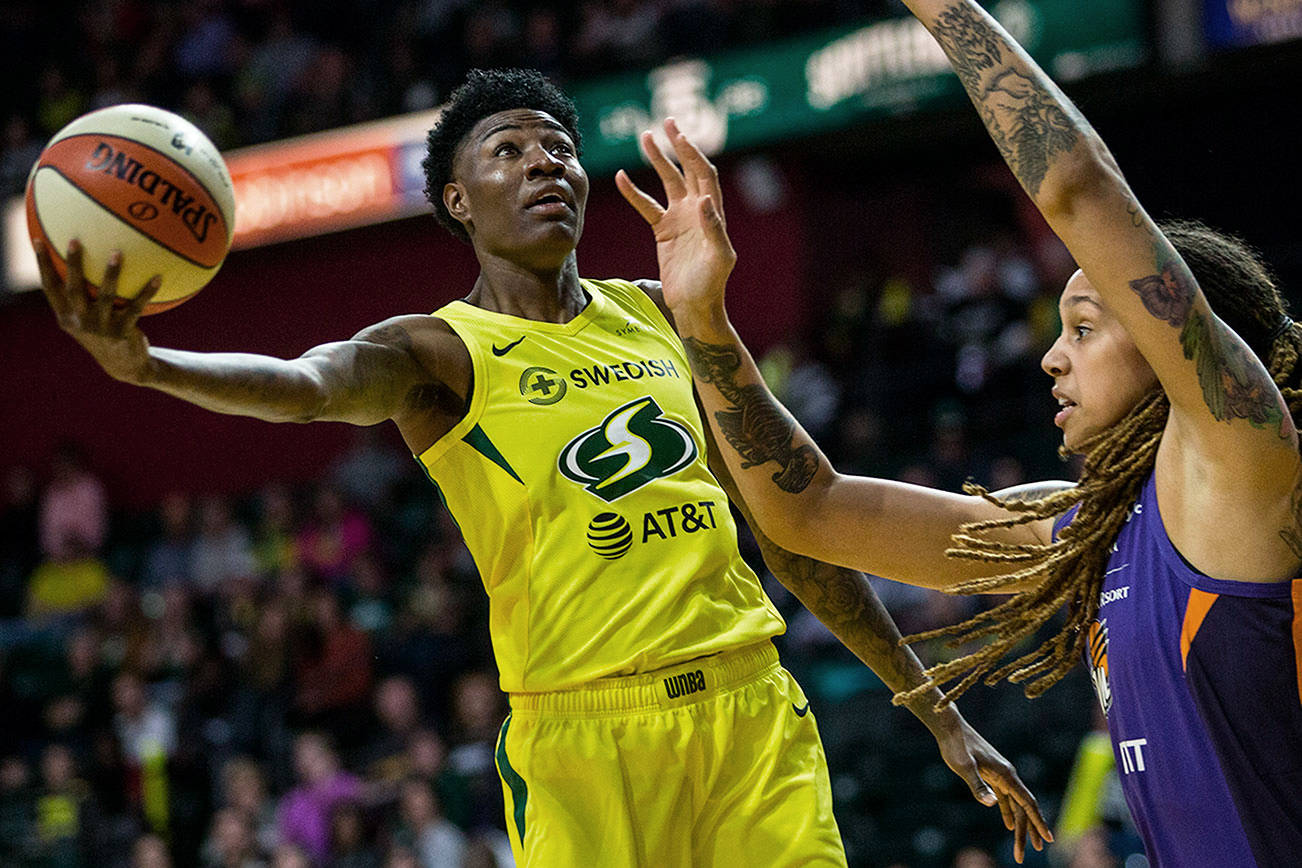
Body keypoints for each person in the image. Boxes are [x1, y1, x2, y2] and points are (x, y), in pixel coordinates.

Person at [36, 67, 1046, 865]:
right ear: (456, 199)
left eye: (561, 149)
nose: (546, 165)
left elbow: (799, 525)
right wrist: (151, 364)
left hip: (750, 716)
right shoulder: (438, 351)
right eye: (509, 150)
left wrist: (936, 708)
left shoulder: (663, 315)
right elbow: (306, 382)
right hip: (582, 739)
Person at [620, 2, 1302, 866]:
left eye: (1086, 328)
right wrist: (704, 320)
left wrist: (946, 10)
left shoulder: (1246, 459)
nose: (1052, 358)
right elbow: (811, 512)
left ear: (1173, 342)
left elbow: (1079, 190)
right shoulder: (1077, 536)